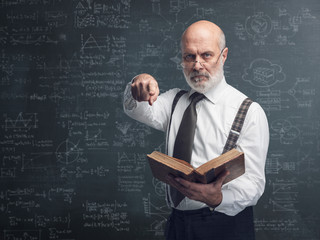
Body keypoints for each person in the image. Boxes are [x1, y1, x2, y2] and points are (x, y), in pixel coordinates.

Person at [123, 20, 269, 240]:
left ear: (224, 55)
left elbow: (254, 184)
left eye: (206, 55)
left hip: (226, 225)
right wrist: (139, 84)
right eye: (189, 56)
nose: (197, 65)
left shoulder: (249, 111)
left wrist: (217, 199)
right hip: (178, 224)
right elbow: (138, 110)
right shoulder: (174, 100)